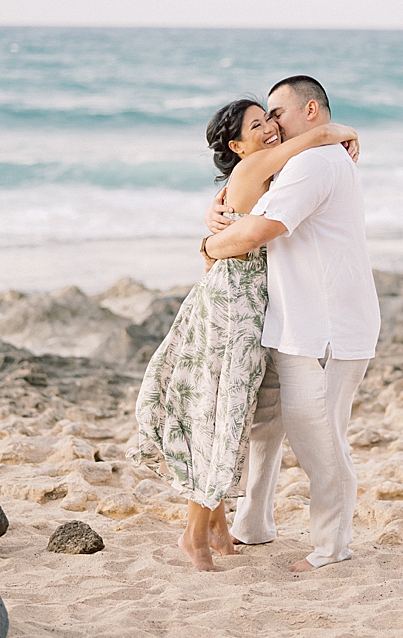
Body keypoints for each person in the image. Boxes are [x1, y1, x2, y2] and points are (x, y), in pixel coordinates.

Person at [132, 97, 359, 572]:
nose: (272, 128)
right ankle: (194, 534)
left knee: (230, 413)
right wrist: (345, 133)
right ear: (236, 144)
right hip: (234, 306)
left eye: (273, 117)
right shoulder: (256, 165)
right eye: (259, 124)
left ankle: (216, 521)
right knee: (223, 416)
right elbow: (314, 136)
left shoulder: (271, 173)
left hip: (256, 306)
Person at [203, 75, 381, 574]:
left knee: (319, 437)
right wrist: (216, 215)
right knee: (265, 428)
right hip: (290, 323)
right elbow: (244, 199)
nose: (272, 124)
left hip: (325, 329)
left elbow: (259, 230)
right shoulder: (301, 161)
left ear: (309, 111)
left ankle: (331, 547)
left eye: (276, 113)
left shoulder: (316, 163)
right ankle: (252, 524)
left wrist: (207, 246)